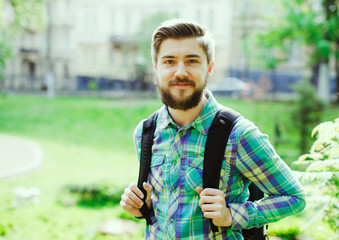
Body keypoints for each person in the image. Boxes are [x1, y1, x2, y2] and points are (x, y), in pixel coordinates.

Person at [120, 19, 306, 239]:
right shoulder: (145, 133)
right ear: (156, 68)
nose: (180, 72)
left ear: (209, 68)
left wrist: (231, 215)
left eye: (191, 61)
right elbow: (164, 208)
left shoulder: (239, 135)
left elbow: (295, 197)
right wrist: (143, 207)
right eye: (169, 61)